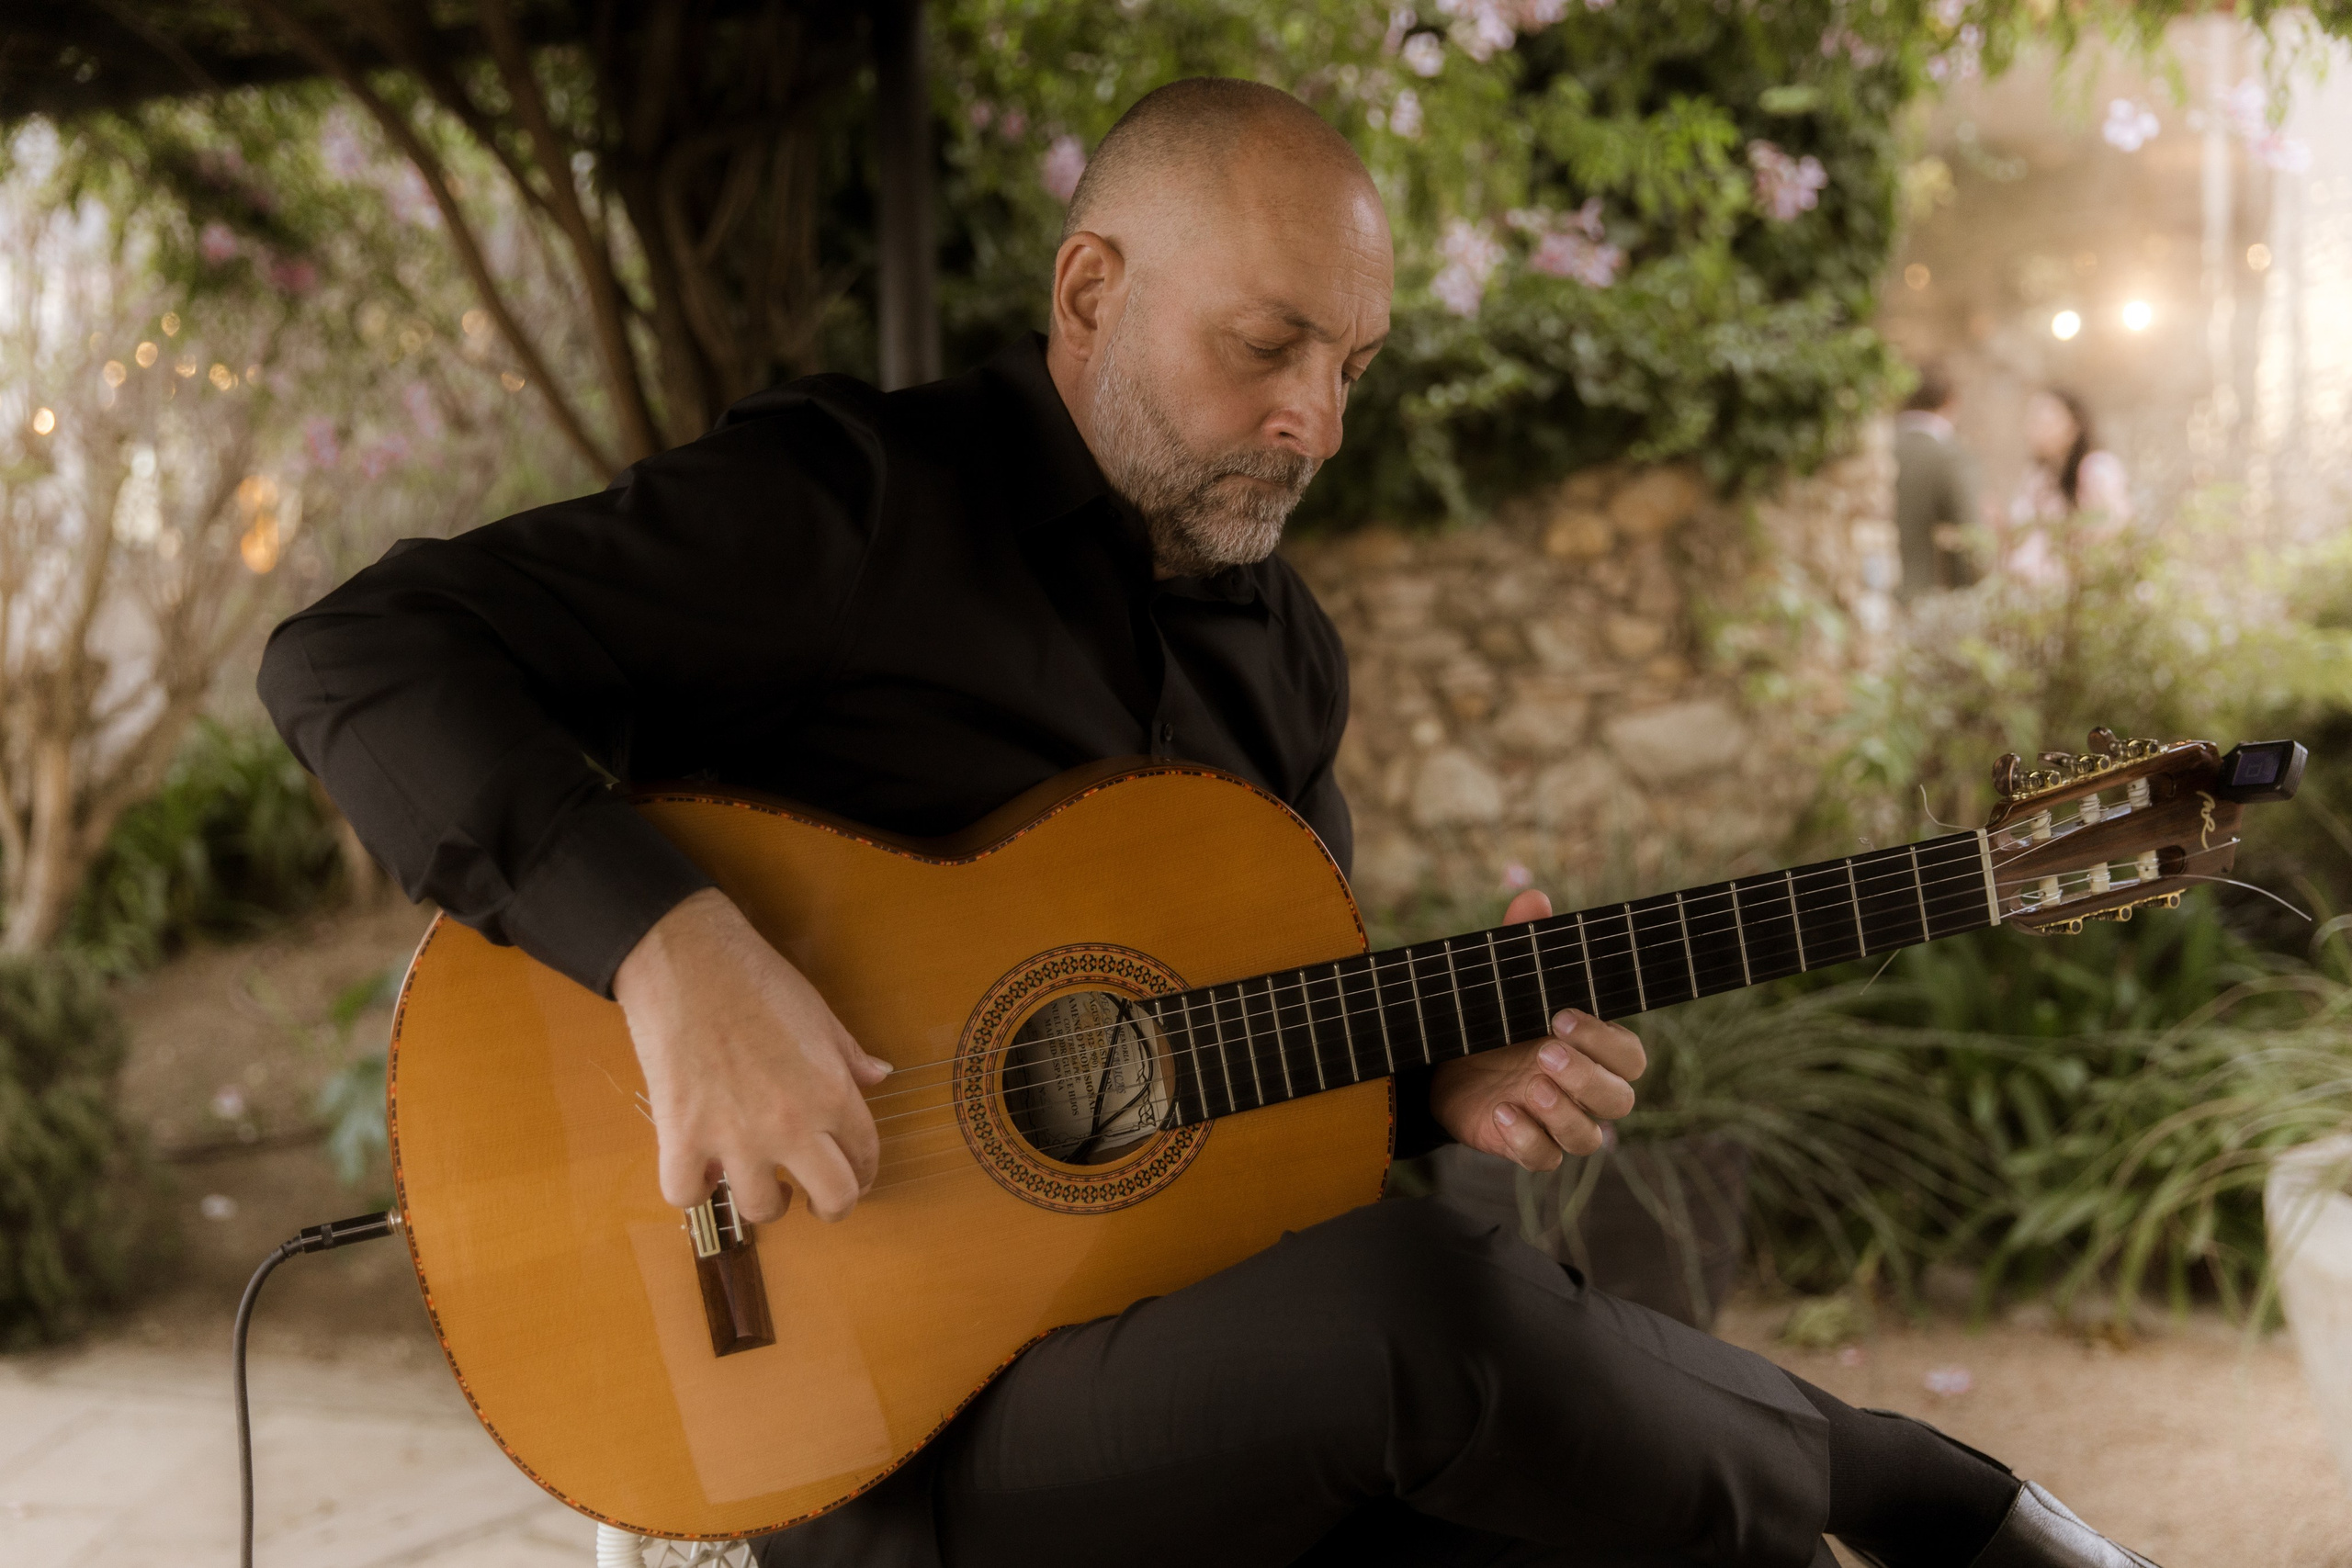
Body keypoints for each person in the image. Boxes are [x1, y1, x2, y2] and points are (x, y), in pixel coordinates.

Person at [260, 79, 2161, 1568]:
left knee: (1638, 1516)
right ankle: (1910, 1482)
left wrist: (1421, 1083)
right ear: (1091, 292)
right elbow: (354, 656)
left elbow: (1237, 1113)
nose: (1315, 421)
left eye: (1349, 364)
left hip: (1204, 1409)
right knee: (1421, 1303)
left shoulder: (1282, 661)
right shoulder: (849, 515)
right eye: (1267, 348)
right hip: (889, 1449)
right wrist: (674, 957)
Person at [2000, 388, 2132, 588]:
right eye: (2032, 420)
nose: (2034, 428)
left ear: (2074, 424)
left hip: (2085, 600)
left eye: (2044, 420)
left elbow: (2114, 537)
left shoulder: (2097, 469)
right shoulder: (2036, 478)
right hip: (2038, 600)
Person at [1892, 361, 1981, 599]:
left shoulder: (1877, 448)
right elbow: (1968, 539)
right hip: (1925, 600)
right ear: (1951, 401)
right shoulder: (1949, 456)